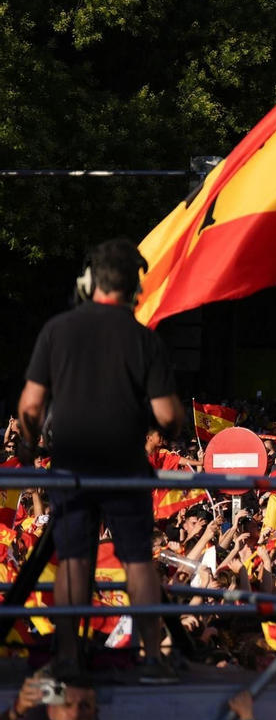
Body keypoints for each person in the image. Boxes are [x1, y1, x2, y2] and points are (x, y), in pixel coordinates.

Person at [15, 238, 181, 682]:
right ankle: (152, 659)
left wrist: (28, 450)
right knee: (137, 561)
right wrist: (175, 427)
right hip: (126, 470)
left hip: (70, 468)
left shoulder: (57, 330)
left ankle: (68, 658)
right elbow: (167, 414)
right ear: (134, 290)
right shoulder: (144, 340)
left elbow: (30, 407)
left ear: (89, 283)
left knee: (73, 561)